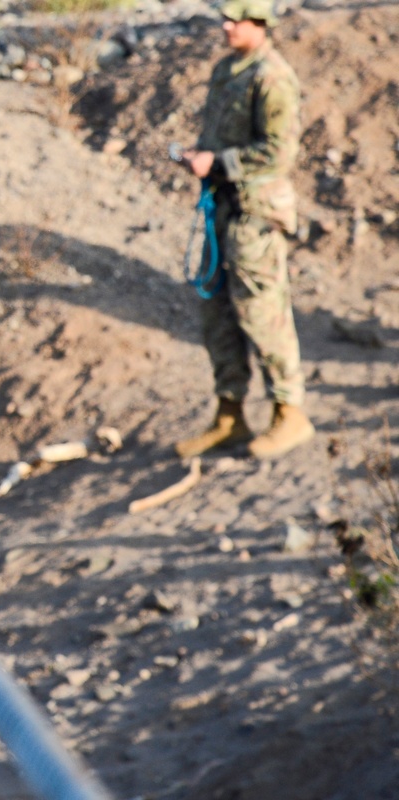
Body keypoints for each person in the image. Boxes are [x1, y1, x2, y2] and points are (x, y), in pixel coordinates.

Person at [173, 0, 314, 460]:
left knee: (262, 311)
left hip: (255, 214)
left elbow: (279, 153)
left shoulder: (271, 77)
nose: (226, 25)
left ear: (260, 23)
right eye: (225, 17)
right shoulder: (227, 68)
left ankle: (289, 414)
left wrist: (219, 162)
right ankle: (229, 415)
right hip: (223, 210)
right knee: (217, 315)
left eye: (236, 19)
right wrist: (203, 158)